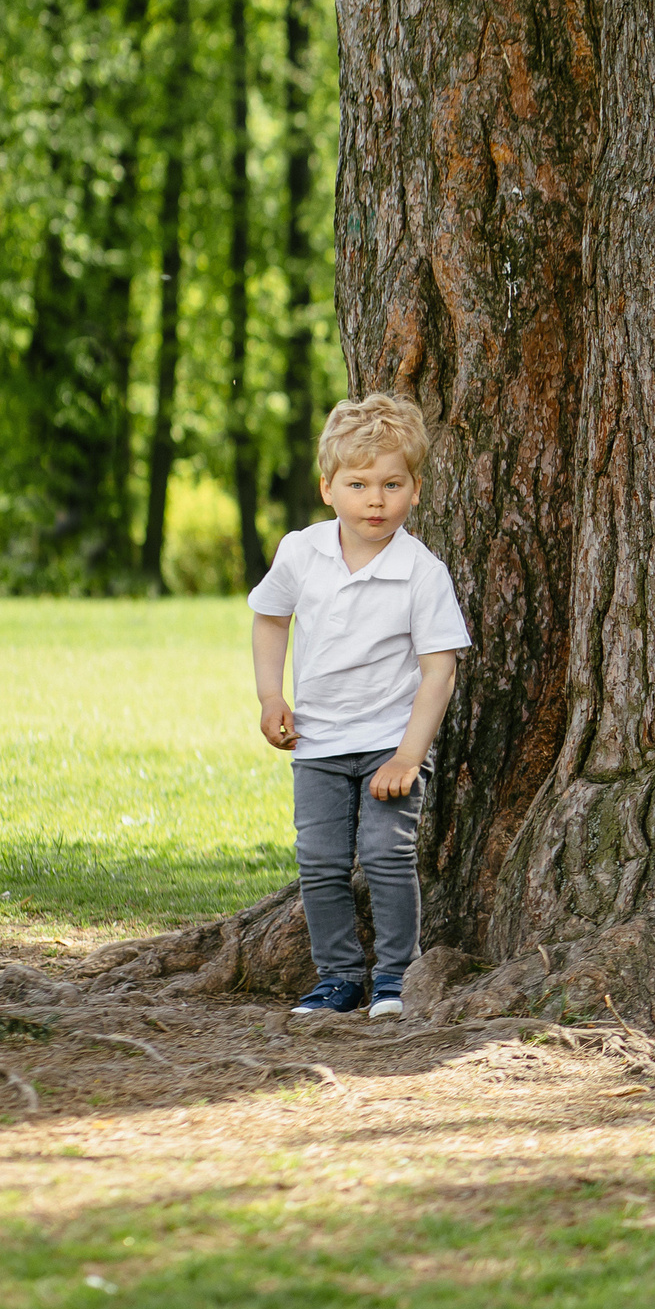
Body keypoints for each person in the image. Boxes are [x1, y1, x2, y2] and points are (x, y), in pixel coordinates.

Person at [248, 394, 471, 1020]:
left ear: (415, 490)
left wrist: (408, 755)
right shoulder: (302, 552)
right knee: (319, 863)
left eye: (392, 484)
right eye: (359, 484)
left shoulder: (421, 572)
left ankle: (397, 978)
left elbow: (439, 671)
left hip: (388, 745)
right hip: (317, 743)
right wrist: (271, 696)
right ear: (328, 487)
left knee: (384, 854)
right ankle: (339, 978)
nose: (376, 500)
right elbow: (270, 619)